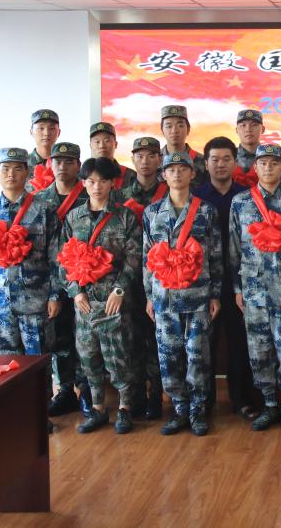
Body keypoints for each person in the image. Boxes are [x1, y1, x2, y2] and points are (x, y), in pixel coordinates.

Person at [0, 148, 60, 432]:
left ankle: (39, 415)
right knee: (7, 361)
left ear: (27, 173)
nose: (11, 174)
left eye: (18, 168)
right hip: (0, 302)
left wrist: (55, 295)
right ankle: (14, 416)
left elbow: (56, 258)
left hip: (35, 300)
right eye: (5, 169)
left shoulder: (43, 210)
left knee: (38, 361)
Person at [229, 144, 281, 433]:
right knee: (259, 350)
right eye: (263, 163)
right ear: (255, 167)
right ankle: (269, 404)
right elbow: (234, 249)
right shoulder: (241, 202)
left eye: (274, 162)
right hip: (253, 291)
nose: (268, 167)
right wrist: (237, 288)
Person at [56, 158, 141, 434]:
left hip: (114, 302)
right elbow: (63, 260)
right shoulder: (73, 218)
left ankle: (125, 408)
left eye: (103, 181)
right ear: (83, 183)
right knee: (89, 358)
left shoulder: (125, 216)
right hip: (85, 304)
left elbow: (134, 257)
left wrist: (120, 289)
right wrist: (75, 292)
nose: (97, 187)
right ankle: (97, 408)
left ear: (112, 183)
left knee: (119, 358)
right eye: (91, 181)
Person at [142, 151, 222, 437]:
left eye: (182, 169)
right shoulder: (152, 212)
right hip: (164, 298)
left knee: (197, 356)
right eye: (171, 169)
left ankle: (198, 411)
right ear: (163, 175)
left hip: (197, 296)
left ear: (192, 173)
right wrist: (149, 296)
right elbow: (147, 257)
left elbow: (215, 255)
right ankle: (179, 409)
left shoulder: (206, 211)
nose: (177, 173)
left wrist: (215, 294)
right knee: (169, 357)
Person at [195, 137, 261, 420]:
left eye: (226, 159)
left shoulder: (248, 197)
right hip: (203, 282)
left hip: (239, 282)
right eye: (214, 159)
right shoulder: (195, 197)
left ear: (235, 162)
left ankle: (242, 399)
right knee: (203, 344)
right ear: (205, 163)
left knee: (239, 342)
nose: (220, 164)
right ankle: (204, 402)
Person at [33, 142, 91, 418]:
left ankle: (87, 390)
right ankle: (65, 390)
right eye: (58, 161)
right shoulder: (39, 200)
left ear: (78, 166)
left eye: (69, 162)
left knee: (85, 339)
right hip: (52, 282)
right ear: (50, 165)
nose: (63, 167)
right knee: (59, 338)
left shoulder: (90, 195)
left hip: (85, 278)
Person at [117, 136, 167, 419]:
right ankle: (133, 396)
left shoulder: (170, 190)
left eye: (151, 155)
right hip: (126, 278)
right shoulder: (120, 194)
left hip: (160, 277)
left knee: (156, 337)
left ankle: (155, 395)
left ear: (160, 159)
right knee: (130, 338)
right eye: (140, 155)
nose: (145, 161)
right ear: (132, 159)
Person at [159, 105, 208, 187]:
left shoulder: (202, 161)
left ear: (188, 129)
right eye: (169, 126)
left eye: (180, 125)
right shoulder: (154, 160)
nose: (174, 131)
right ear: (162, 130)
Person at [88, 122, 136, 190]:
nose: (102, 146)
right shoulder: (83, 176)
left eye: (107, 141)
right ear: (90, 146)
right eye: (97, 142)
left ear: (115, 144)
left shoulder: (130, 176)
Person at [27, 108, 60, 192]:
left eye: (52, 128)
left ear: (59, 132)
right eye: (41, 128)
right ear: (31, 132)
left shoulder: (67, 164)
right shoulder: (22, 165)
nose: (46, 133)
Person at [235, 108, 264, 177]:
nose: (248, 129)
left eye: (254, 125)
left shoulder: (271, 156)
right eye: (243, 125)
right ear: (236, 130)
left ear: (263, 129)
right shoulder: (229, 156)